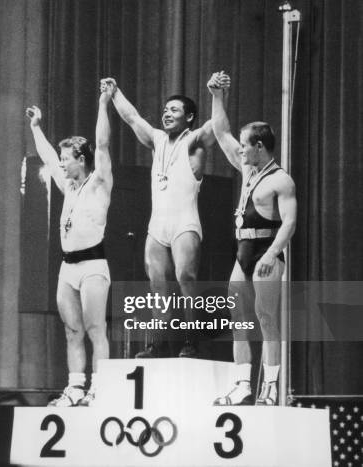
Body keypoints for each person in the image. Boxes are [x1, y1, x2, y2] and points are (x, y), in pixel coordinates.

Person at [101, 77, 216, 358]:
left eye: (174, 110)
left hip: (185, 224)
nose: (167, 113)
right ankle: (156, 344)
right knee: (157, 285)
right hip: (158, 226)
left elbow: (218, 126)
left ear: (189, 117)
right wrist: (115, 92)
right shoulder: (157, 140)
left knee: (185, 278)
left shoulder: (195, 141)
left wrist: (218, 94)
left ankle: (190, 341)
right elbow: (132, 117)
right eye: (165, 109)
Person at [208, 72, 297, 405]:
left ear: (259, 146)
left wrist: (272, 254)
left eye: (245, 146)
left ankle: (270, 387)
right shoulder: (247, 169)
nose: (240, 150)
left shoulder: (281, 181)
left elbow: (289, 223)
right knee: (239, 319)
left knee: (266, 318)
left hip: (266, 251)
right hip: (242, 252)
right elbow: (220, 131)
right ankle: (243, 384)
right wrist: (218, 95)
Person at [24, 85, 114, 407]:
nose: (61, 164)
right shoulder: (69, 186)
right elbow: (47, 156)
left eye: (67, 159)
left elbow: (102, 144)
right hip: (68, 267)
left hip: (93, 266)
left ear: (81, 159)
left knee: (94, 328)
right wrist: (36, 128)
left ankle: (99, 388)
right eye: (62, 159)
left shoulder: (99, 183)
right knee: (71, 331)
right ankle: (75, 387)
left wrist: (103, 102)